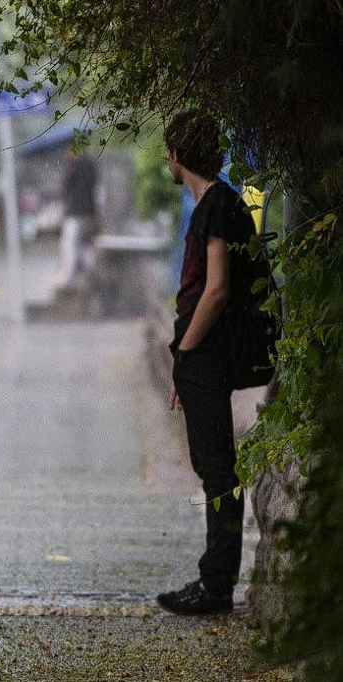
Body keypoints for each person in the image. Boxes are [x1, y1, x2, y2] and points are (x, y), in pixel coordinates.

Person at [157, 111, 257, 615]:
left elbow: (215, 290)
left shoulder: (217, 204)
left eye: (168, 151)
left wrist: (187, 351)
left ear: (179, 154)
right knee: (212, 467)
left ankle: (216, 585)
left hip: (207, 354)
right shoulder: (217, 204)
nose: (167, 161)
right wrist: (184, 362)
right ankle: (216, 579)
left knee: (218, 471)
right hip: (201, 356)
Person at [58, 147, 99, 291]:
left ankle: (69, 280)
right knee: (86, 245)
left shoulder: (73, 166)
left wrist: (68, 170)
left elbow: (65, 188)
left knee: (69, 245)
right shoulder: (91, 164)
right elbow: (94, 186)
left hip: (75, 213)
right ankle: (92, 275)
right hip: (89, 212)